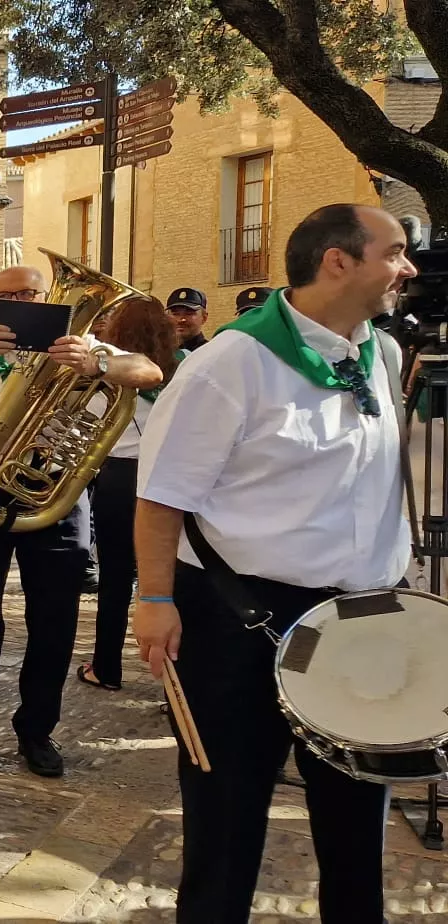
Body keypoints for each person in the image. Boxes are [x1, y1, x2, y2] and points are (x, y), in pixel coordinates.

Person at [135, 203, 414, 923]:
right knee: (226, 818)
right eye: (395, 251)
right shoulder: (233, 361)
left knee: (357, 823)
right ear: (339, 261)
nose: (409, 268)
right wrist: (156, 601)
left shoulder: (380, 352)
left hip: (359, 623)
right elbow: (162, 493)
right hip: (241, 620)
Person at [0, 265, 162, 778]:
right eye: (6, 296)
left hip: (55, 498)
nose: (20, 301)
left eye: (30, 293)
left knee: (55, 621)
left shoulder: (85, 346)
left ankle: (37, 731)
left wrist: (97, 362)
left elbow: (150, 372)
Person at [78, 299, 182, 692]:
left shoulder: (107, 374)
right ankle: (177, 680)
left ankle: (106, 667)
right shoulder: (185, 366)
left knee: (116, 580)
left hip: (120, 478)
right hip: (170, 477)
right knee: (173, 581)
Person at [166, 287, 210, 351]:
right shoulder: (159, 353)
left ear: (204, 318)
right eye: (175, 314)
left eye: (189, 313)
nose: (181, 320)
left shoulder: (210, 352)